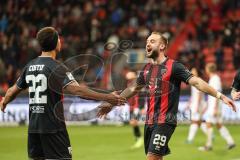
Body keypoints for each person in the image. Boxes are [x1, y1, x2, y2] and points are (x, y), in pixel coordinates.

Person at [97, 32, 236, 160]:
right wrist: (111, 103)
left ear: (162, 46)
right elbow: (132, 89)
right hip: (149, 122)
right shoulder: (146, 69)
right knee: (156, 158)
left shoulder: (174, 66)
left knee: (152, 158)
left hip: (165, 121)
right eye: (147, 42)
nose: (147, 44)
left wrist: (220, 96)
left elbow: (197, 82)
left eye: (152, 41)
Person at [0, 27, 126, 160]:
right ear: (56, 43)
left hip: (34, 128)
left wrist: (4, 102)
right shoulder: (56, 67)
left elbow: (11, 91)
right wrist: (107, 97)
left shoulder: (29, 66)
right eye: (59, 39)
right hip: (53, 127)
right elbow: (77, 90)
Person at [198, 63, 235, 151]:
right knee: (218, 125)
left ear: (208, 69)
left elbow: (217, 93)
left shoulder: (215, 79)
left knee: (208, 124)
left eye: (206, 68)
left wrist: (214, 108)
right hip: (214, 106)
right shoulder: (214, 79)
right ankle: (231, 142)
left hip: (215, 106)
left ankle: (209, 145)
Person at [185, 67, 207, 144]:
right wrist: (189, 103)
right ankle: (210, 134)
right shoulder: (192, 81)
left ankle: (190, 139)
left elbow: (199, 94)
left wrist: (197, 105)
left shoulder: (198, 80)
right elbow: (193, 95)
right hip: (195, 104)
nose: (192, 72)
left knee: (195, 121)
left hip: (198, 105)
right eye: (191, 71)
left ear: (197, 72)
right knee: (199, 121)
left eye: (193, 71)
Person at [125, 71, 145, 149]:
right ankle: (138, 138)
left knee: (134, 122)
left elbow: (142, 95)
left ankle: (139, 139)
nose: (129, 80)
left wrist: (142, 107)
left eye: (130, 78)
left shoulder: (139, 84)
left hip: (137, 107)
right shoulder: (129, 85)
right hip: (131, 107)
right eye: (128, 79)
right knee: (132, 123)